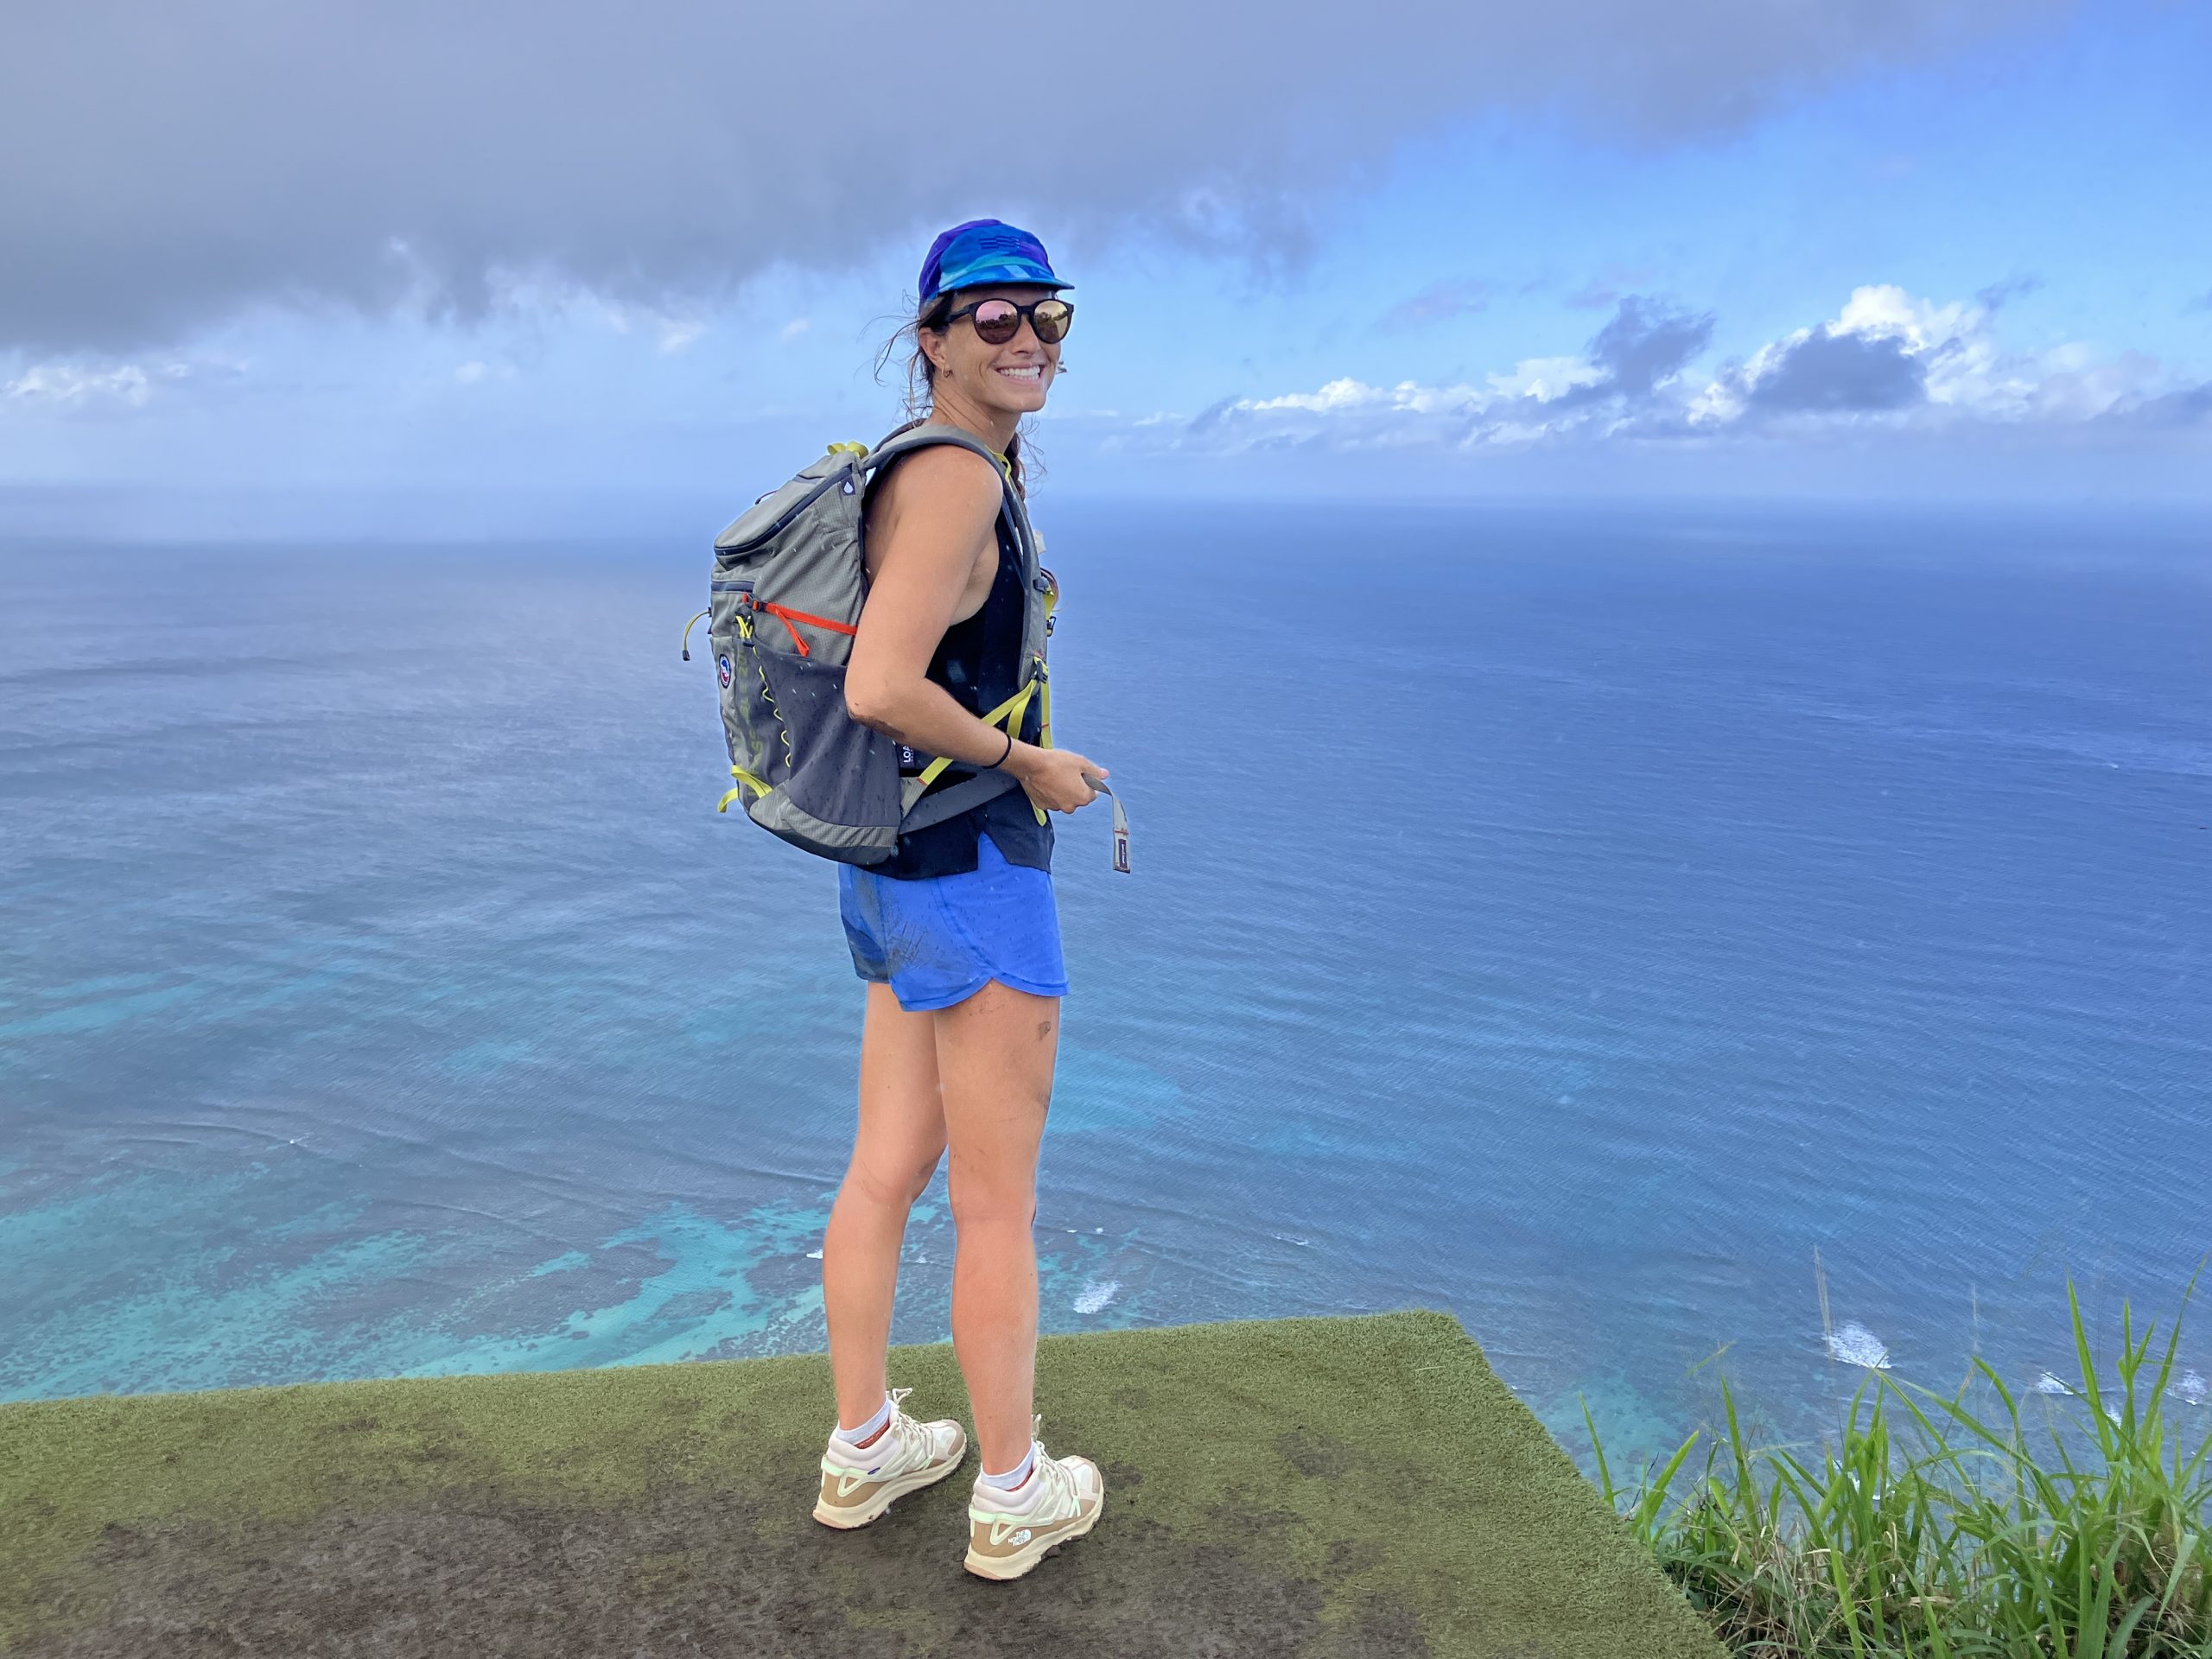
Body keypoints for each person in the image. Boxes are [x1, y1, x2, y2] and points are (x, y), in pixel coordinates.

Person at [807, 219, 1109, 1581]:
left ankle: (866, 1444)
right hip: (973, 874)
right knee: (995, 1210)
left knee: (885, 1170)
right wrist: (1026, 759)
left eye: (1046, 313)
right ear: (929, 341)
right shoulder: (953, 484)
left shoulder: (921, 471)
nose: (1026, 336)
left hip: (893, 872)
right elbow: (881, 685)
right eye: (991, 317)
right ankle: (1011, 1489)